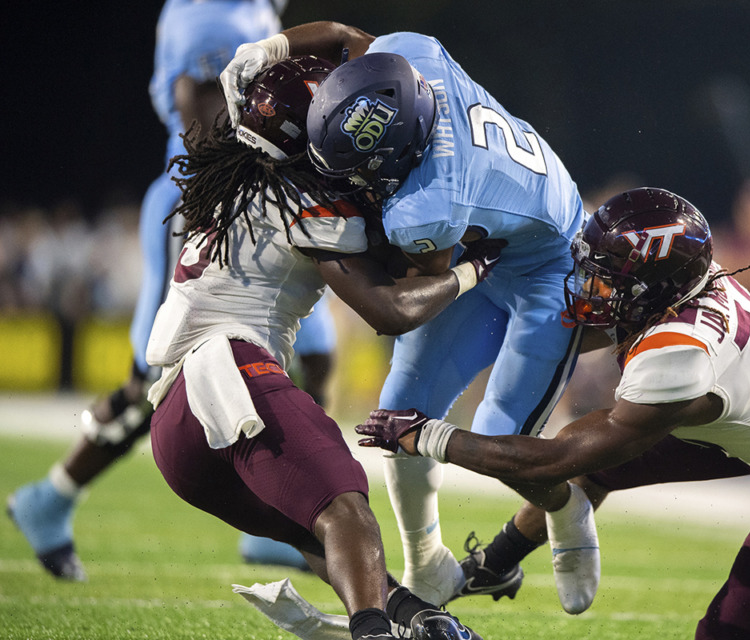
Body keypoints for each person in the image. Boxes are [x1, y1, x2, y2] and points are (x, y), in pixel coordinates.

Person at [357, 187, 750, 639]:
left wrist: (429, 436)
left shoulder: (679, 353)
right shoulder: (681, 287)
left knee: (732, 634)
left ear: (654, 287)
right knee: (596, 462)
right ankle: (494, 565)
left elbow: (552, 461)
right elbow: (566, 344)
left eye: (607, 277)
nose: (590, 286)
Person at [219, 21, 589, 608]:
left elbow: (404, 301)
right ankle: (428, 565)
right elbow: (344, 34)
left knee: (501, 444)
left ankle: (568, 509)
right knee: (401, 415)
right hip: (492, 239)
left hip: (550, 265)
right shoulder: (408, 57)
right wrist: (272, 49)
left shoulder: (425, 208)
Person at [146, 54, 493, 640]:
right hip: (226, 372)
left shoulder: (235, 169)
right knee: (343, 509)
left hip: (174, 426)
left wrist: (281, 42)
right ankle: (375, 633)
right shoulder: (303, 198)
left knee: (319, 532)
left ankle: (414, 617)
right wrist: (472, 271)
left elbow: (336, 42)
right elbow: (389, 311)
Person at [5, 0, 330, 581]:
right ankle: (50, 497)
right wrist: (228, 172)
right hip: (210, 193)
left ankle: (289, 514)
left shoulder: (251, 10)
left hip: (262, 196)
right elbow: (193, 102)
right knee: (150, 377)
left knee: (317, 354)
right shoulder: (211, 12)